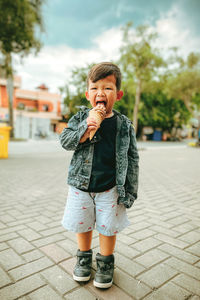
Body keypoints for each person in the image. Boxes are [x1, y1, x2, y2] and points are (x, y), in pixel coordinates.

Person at [60, 62, 139, 289]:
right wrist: (86, 127)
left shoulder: (124, 125)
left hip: (111, 187)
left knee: (108, 227)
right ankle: (83, 258)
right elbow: (65, 141)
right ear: (88, 95)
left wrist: (130, 190)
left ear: (118, 94)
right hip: (80, 186)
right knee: (82, 225)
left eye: (108, 88)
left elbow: (133, 159)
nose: (100, 93)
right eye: (95, 88)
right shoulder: (80, 118)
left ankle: (105, 263)